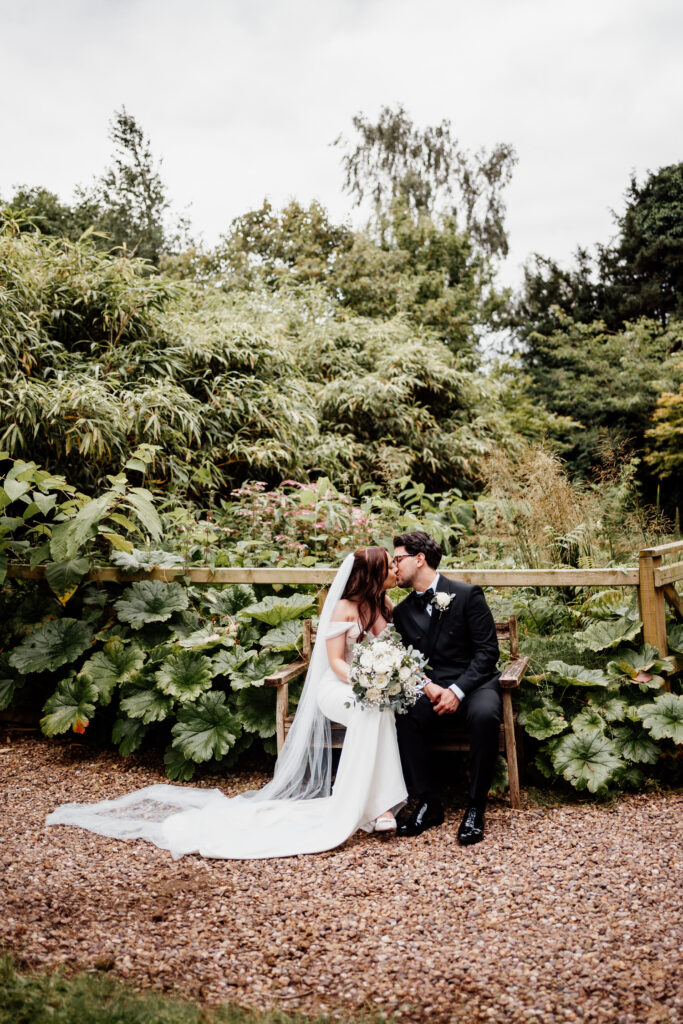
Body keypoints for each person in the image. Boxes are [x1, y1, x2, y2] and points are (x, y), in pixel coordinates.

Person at [46, 547, 407, 859]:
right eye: (389, 565)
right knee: (369, 707)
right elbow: (337, 664)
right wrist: (366, 682)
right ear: (373, 573)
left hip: (360, 685)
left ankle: (379, 806)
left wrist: (386, 674)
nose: (395, 569)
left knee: (378, 708)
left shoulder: (378, 604)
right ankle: (370, 806)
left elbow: (384, 647)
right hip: (337, 687)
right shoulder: (343, 608)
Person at [391, 531, 502, 845]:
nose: (394, 566)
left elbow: (487, 652)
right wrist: (428, 686)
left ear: (419, 559)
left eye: (398, 559)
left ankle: (475, 808)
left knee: (485, 716)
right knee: (405, 713)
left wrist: (457, 690)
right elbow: (408, 662)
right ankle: (429, 801)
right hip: (431, 689)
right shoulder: (401, 612)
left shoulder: (467, 594)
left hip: (474, 685)